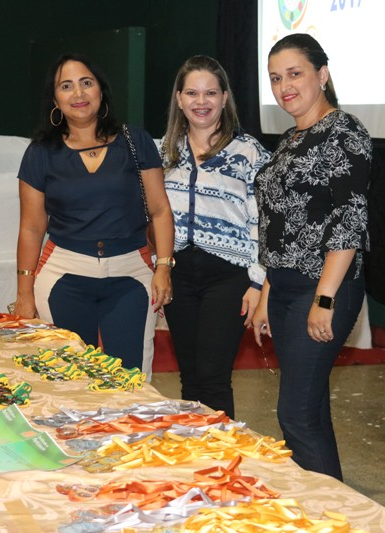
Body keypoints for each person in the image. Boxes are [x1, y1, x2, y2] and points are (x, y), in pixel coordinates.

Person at [252, 34, 372, 480]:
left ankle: (328, 519)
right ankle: (326, 506)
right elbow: (277, 225)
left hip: (323, 288)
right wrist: (266, 292)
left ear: (322, 75)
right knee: (311, 411)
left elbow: (348, 219)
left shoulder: (345, 132)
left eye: (295, 74)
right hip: (284, 288)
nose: (285, 86)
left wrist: (324, 298)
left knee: (296, 416)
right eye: (275, 78)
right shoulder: (288, 139)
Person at [14, 54, 174, 377]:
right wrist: (24, 294)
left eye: (86, 83)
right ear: (55, 100)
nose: (79, 94)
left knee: (130, 382)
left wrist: (164, 267)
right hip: (63, 278)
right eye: (66, 86)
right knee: (66, 380)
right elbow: (31, 229)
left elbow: (160, 210)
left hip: (131, 277)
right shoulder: (40, 154)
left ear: (101, 90)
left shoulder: (136, 142)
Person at [161, 55, 270, 418]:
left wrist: (257, 284)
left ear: (225, 97)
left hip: (228, 277)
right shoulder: (164, 151)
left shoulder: (249, 152)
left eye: (210, 93)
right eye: (191, 93)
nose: (201, 101)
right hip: (179, 274)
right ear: (179, 99)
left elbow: (264, 222)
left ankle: (224, 465)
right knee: (189, 377)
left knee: (214, 377)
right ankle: (195, 460)